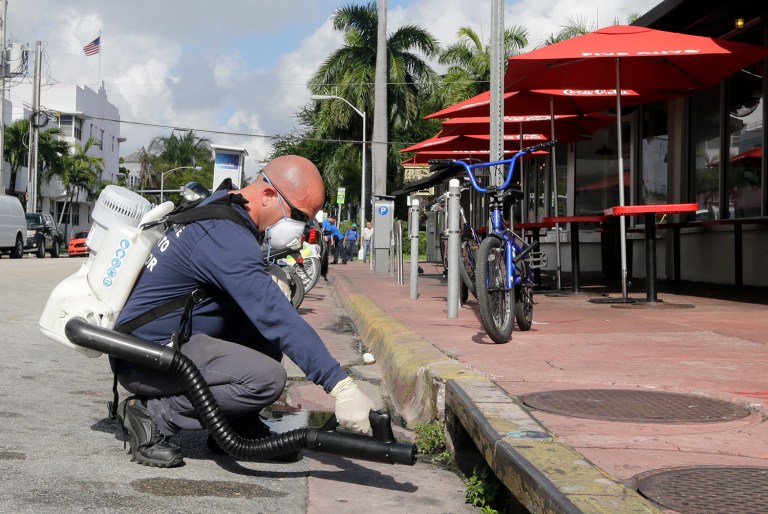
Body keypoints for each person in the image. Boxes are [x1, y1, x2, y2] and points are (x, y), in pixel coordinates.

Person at [111, 155, 375, 468]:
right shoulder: (224, 233)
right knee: (265, 379)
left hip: (175, 337)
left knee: (265, 333)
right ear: (267, 194)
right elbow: (277, 317)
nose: (301, 228)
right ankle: (152, 415)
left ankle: (237, 425)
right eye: (298, 215)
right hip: (148, 356)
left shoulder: (226, 207)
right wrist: (340, 386)